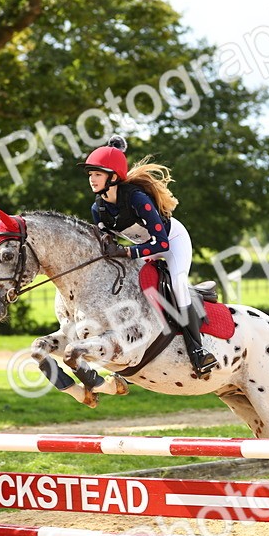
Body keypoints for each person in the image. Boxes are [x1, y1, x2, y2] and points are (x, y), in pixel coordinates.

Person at [77, 135, 218, 376]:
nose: (92, 179)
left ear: (113, 177)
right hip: (145, 248)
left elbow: (160, 241)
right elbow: (107, 243)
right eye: (90, 174)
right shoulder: (97, 209)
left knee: (177, 284)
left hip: (172, 243)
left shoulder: (136, 198)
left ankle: (198, 351)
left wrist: (128, 251)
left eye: (97, 174)